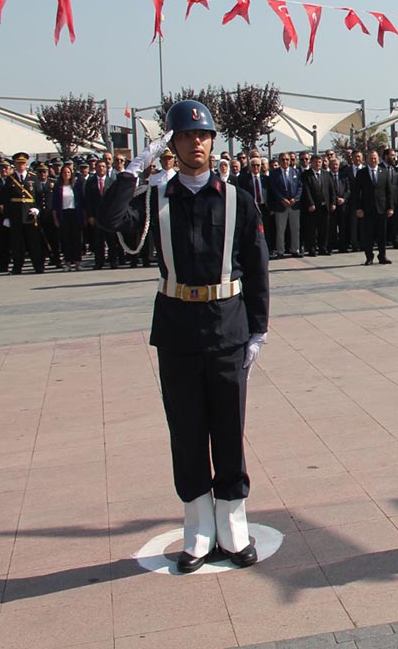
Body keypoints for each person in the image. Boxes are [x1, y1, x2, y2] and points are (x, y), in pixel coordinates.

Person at [97, 100, 269, 573]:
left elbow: (256, 267)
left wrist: (259, 329)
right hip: (176, 330)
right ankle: (198, 532)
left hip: (227, 328)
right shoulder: (155, 198)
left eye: (205, 135)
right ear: (170, 144)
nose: (198, 142)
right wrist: (131, 173)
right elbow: (108, 220)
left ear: (214, 141)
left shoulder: (239, 199)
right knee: (188, 432)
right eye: (187, 136)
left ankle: (233, 528)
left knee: (228, 432)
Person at [3, 152, 46, 274]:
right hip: (15, 215)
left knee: (34, 242)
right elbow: (6, 199)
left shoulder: (33, 178)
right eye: (18, 163)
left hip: (30, 215)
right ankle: (17, 267)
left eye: (23, 163)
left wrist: (37, 209)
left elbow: (39, 196)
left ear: (26, 164)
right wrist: (6, 216)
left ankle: (38, 266)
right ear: (15, 164)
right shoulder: (10, 179)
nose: (21, 165)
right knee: (17, 243)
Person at [353, 149, 395, 264]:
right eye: (371, 158)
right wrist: (358, 208)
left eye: (375, 158)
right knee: (368, 235)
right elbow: (356, 192)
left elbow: (389, 191)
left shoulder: (384, 171)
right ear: (366, 160)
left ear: (378, 159)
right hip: (367, 209)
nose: (373, 160)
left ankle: (382, 256)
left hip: (382, 209)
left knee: (382, 235)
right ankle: (369, 257)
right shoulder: (361, 173)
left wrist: (390, 207)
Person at [50, 162, 85, 270]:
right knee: (66, 239)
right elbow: (54, 205)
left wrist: (84, 216)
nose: (66, 174)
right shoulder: (58, 187)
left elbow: (82, 202)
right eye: (64, 172)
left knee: (77, 239)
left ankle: (77, 262)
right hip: (63, 214)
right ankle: (68, 262)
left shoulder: (76, 185)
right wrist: (55, 218)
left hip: (74, 213)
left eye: (68, 172)